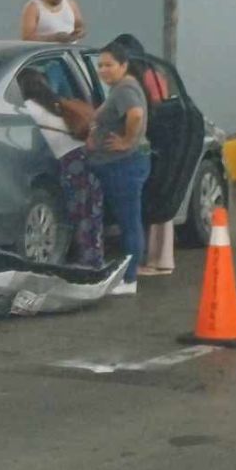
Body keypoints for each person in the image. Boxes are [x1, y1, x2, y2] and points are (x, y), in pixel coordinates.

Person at [16, 69, 104, 269]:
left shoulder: (28, 108)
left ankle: (83, 266)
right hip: (85, 157)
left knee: (77, 214)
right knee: (91, 214)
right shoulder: (56, 103)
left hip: (70, 162)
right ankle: (94, 261)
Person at [88, 42, 151, 296]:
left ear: (123, 66)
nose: (103, 70)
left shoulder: (125, 89)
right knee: (127, 220)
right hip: (118, 163)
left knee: (129, 222)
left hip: (124, 164)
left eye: (109, 65)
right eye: (100, 65)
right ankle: (125, 273)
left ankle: (129, 278)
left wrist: (126, 140)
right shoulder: (119, 88)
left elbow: (135, 114)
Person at [112, 33, 174, 276]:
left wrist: (127, 139)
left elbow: (136, 114)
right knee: (160, 201)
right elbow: (162, 105)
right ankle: (161, 258)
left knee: (136, 210)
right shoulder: (156, 74)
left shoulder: (130, 83)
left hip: (138, 146)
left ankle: (139, 263)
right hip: (160, 144)